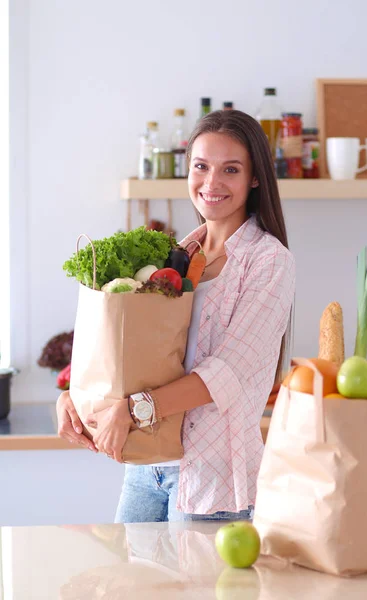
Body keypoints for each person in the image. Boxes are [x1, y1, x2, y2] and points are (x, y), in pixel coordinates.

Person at [57, 109, 295, 523]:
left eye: (231, 170)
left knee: (197, 590)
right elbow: (136, 352)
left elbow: (229, 373)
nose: (212, 183)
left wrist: (132, 410)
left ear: (254, 178)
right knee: (130, 588)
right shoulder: (178, 255)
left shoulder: (270, 261)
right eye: (201, 166)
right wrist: (75, 397)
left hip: (213, 478)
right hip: (146, 466)